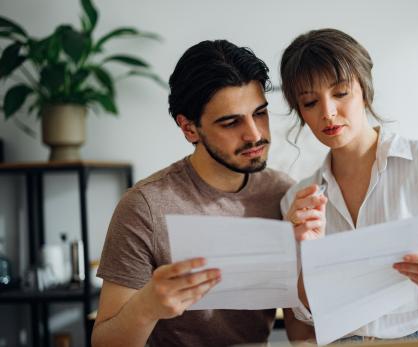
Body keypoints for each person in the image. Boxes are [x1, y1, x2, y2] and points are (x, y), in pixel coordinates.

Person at [280, 28, 418, 342]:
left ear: (365, 90)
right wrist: (303, 250)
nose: (327, 112)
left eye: (341, 93)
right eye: (310, 102)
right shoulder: (298, 199)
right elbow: (303, 315)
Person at [92, 40, 306, 347]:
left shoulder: (282, 193)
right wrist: (148, 306)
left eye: (260, 113)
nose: (255, 134)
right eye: (231, 122)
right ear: (189, 128)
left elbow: (301, 334)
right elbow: (103, 343)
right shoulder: (145, 207)